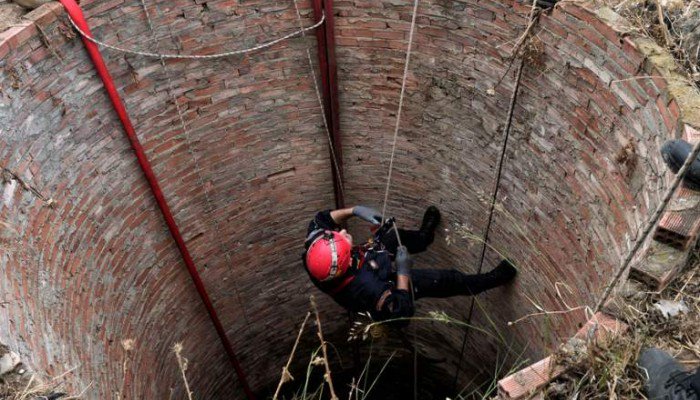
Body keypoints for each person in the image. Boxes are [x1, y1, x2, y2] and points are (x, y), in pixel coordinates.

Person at [301, 205, 517, 324]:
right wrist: (403, 272)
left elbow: (321, 219)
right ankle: (491, 279)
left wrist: (355, 210)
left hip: (368, 261)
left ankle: (424, 237)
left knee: (393, 237)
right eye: (343, 239)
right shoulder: (367, 289)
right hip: (387, 282)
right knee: (445, 280)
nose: (343, 232)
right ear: (347, 262)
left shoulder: (316, 253)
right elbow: (401, 313)